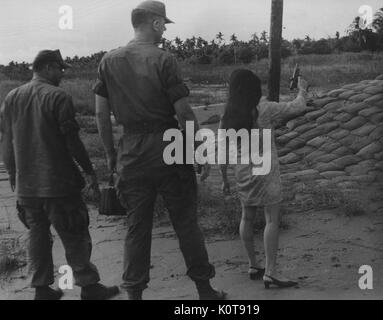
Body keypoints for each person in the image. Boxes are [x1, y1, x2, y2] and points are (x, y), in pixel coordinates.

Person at [93, 1, 225, 300]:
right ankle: (205, 291)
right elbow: (185, 114)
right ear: (153, 23)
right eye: (163, 23)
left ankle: (134, 295)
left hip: (131, 152)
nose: (165, 29)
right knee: (186, 223)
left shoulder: (108, 61)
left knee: (136, 227)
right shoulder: (164, 60)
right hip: (168, 147)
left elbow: (101, 115)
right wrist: (197, 151)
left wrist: (112, 155)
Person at [0, 49, 119, 300]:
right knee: (75, 233)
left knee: (38, 237)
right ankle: (88, 286)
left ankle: (42, 289)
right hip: (58, 184)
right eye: (60, 69)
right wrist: (88, 171)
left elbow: (6, 140)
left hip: (27, 187)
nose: (62, 74)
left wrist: (12, 173)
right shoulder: (57, 97)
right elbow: (72, 140)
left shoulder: (12, 97)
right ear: (47, 68)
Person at [219, 69, 308, 289]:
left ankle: (253, 264)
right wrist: (302, 89)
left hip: (242, 172)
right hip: (265, 171)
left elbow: (222, 150)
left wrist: (224, 179)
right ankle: (271, 271)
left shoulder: (227, 114)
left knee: (246, 217)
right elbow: (297, 107)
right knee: (271, 220)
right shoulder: (264, 109)